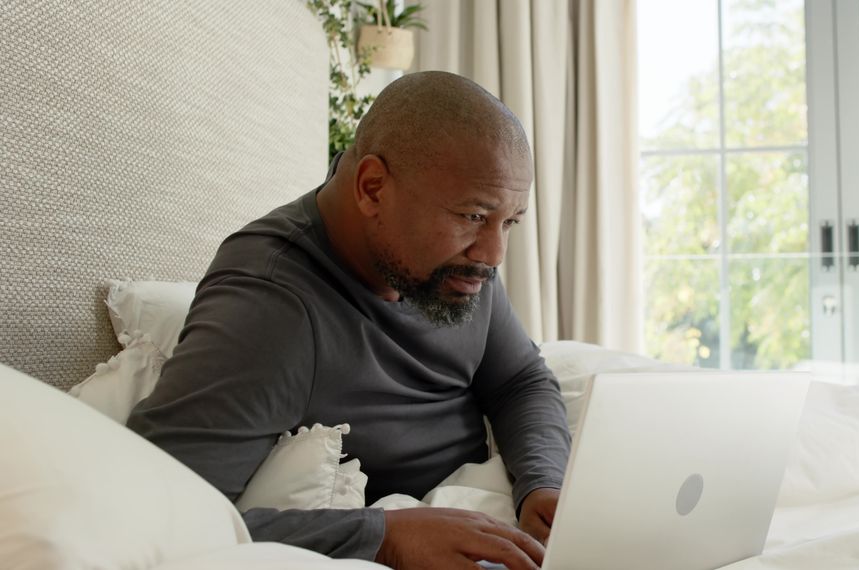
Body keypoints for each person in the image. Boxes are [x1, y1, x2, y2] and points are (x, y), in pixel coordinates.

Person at [127, 71, 571, 569]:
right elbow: (161, 517)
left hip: (494, 515)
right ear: (373, 186)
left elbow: (519, 379)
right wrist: (383, 538)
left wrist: (543, 485)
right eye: (472, 217)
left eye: (510, 221)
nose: (493, 254)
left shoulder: (456, 267)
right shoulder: (272, 308)